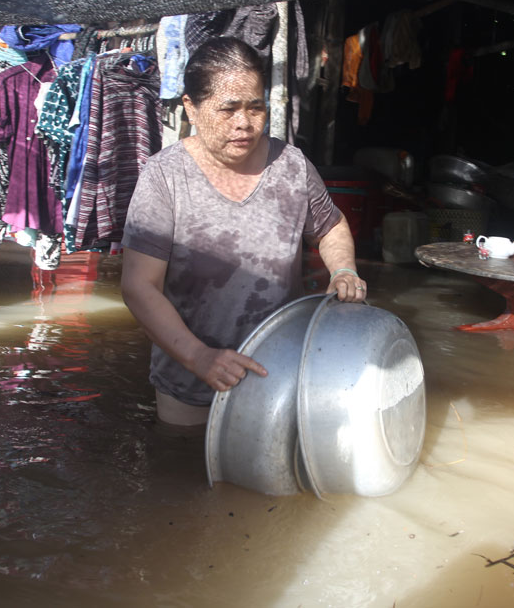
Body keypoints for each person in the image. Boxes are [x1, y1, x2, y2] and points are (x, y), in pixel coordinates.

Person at [120, 37, 367, 426]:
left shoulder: (292, 165)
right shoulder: (165, 177)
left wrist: (343, 270)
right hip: (191, 384)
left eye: (255, 107)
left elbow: (330, 225)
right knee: (181, 473)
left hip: (280, 373)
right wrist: (200, 357)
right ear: (191, 108)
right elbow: (138, 286)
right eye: (228, 109)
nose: (244, 123)